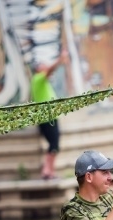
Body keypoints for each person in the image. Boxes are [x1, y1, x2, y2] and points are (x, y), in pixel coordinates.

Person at [31, 50, 69, 180]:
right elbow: (50, 70)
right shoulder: (38, 78)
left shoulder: (40, 80)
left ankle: (49, 171)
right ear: (38, 69)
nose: (45, 66)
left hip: (49, 117)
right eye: (43, 65)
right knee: (54, 145)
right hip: (47, 118)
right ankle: (47, 171)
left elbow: (49, 71)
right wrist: (60, 59)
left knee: (54, 145)